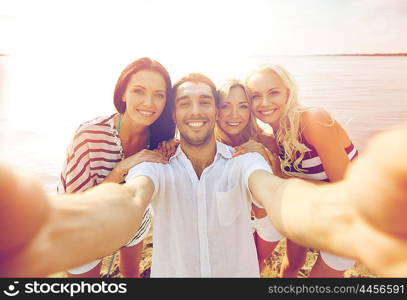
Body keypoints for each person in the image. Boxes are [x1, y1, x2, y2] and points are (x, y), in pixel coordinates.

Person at [1, 75, 407, 277]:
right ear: (173, 115)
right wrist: (61, 224)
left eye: (203, 103)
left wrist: (333, 214)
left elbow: (277, 194)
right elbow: (129, 201)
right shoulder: (155, 163)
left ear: (215, 112)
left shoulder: (246, 159)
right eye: (184, 104)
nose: (195, 111)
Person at [57, 57, 175, 277]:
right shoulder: (90, 135)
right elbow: (72, 207)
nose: (149, 102)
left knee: (132, 276)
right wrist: (121, 169)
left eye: (159, 95)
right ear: (123, 93)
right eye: (139, 91)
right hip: (85, 229)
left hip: (134, 222)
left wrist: (171, 148)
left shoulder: (160, 136)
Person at [158, 79, 284, 272]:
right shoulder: (211, 141)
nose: (235, 115)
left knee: (256, 260)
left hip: (267, 218)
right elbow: (191, 142)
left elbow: (275, 184)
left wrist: (266, 156)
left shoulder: (264, 140)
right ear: (217, 111)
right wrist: (170, 144)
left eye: (243, 106)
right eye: (226, 106)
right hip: (237, 219)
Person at [245, 64, 358, 277]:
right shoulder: (273, 138)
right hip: (309, 213)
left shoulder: (312, 120)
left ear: (288, 92)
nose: (264, 103)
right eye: (255, 96)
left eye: (273, 93)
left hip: (348, 221)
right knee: (290, 266)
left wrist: (280, 179)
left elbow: (348, 191)